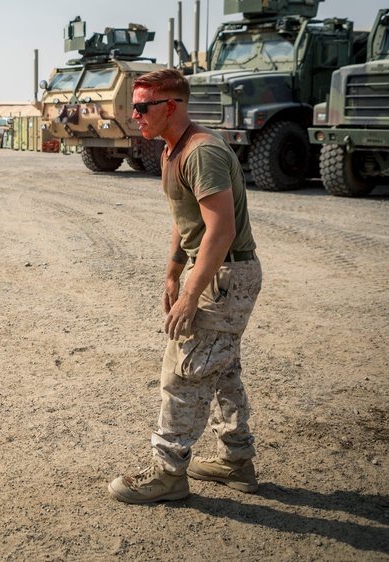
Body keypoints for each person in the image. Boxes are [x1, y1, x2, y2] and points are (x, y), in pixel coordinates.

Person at [107, 68, 262, 504]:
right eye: (132, 106)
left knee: (184, 370)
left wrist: (192, 293)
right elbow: (185, 219)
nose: (133, 114)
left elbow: (221, 230)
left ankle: (168, 473)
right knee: (221, 368)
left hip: (225, 273)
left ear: (170, 106)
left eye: (141, 107)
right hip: (211, 270)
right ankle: (236, 461)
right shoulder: (172, 150)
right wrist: (174, 272)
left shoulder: (201, 152)